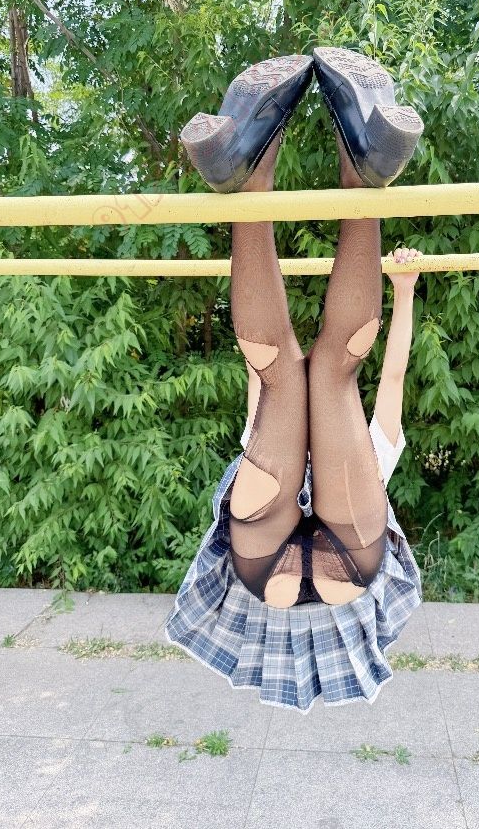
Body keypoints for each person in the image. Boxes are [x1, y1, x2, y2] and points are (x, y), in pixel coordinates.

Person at [166, 48, 426, 712]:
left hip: (337, 565)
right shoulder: (374, 454)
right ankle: (298, 175)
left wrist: (403, 295)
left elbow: (385, 373)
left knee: (326, 375)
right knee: (288, 375)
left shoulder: (375, 454)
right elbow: (369, 372)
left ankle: (298, 176)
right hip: (281, 572)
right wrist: (401, 292)